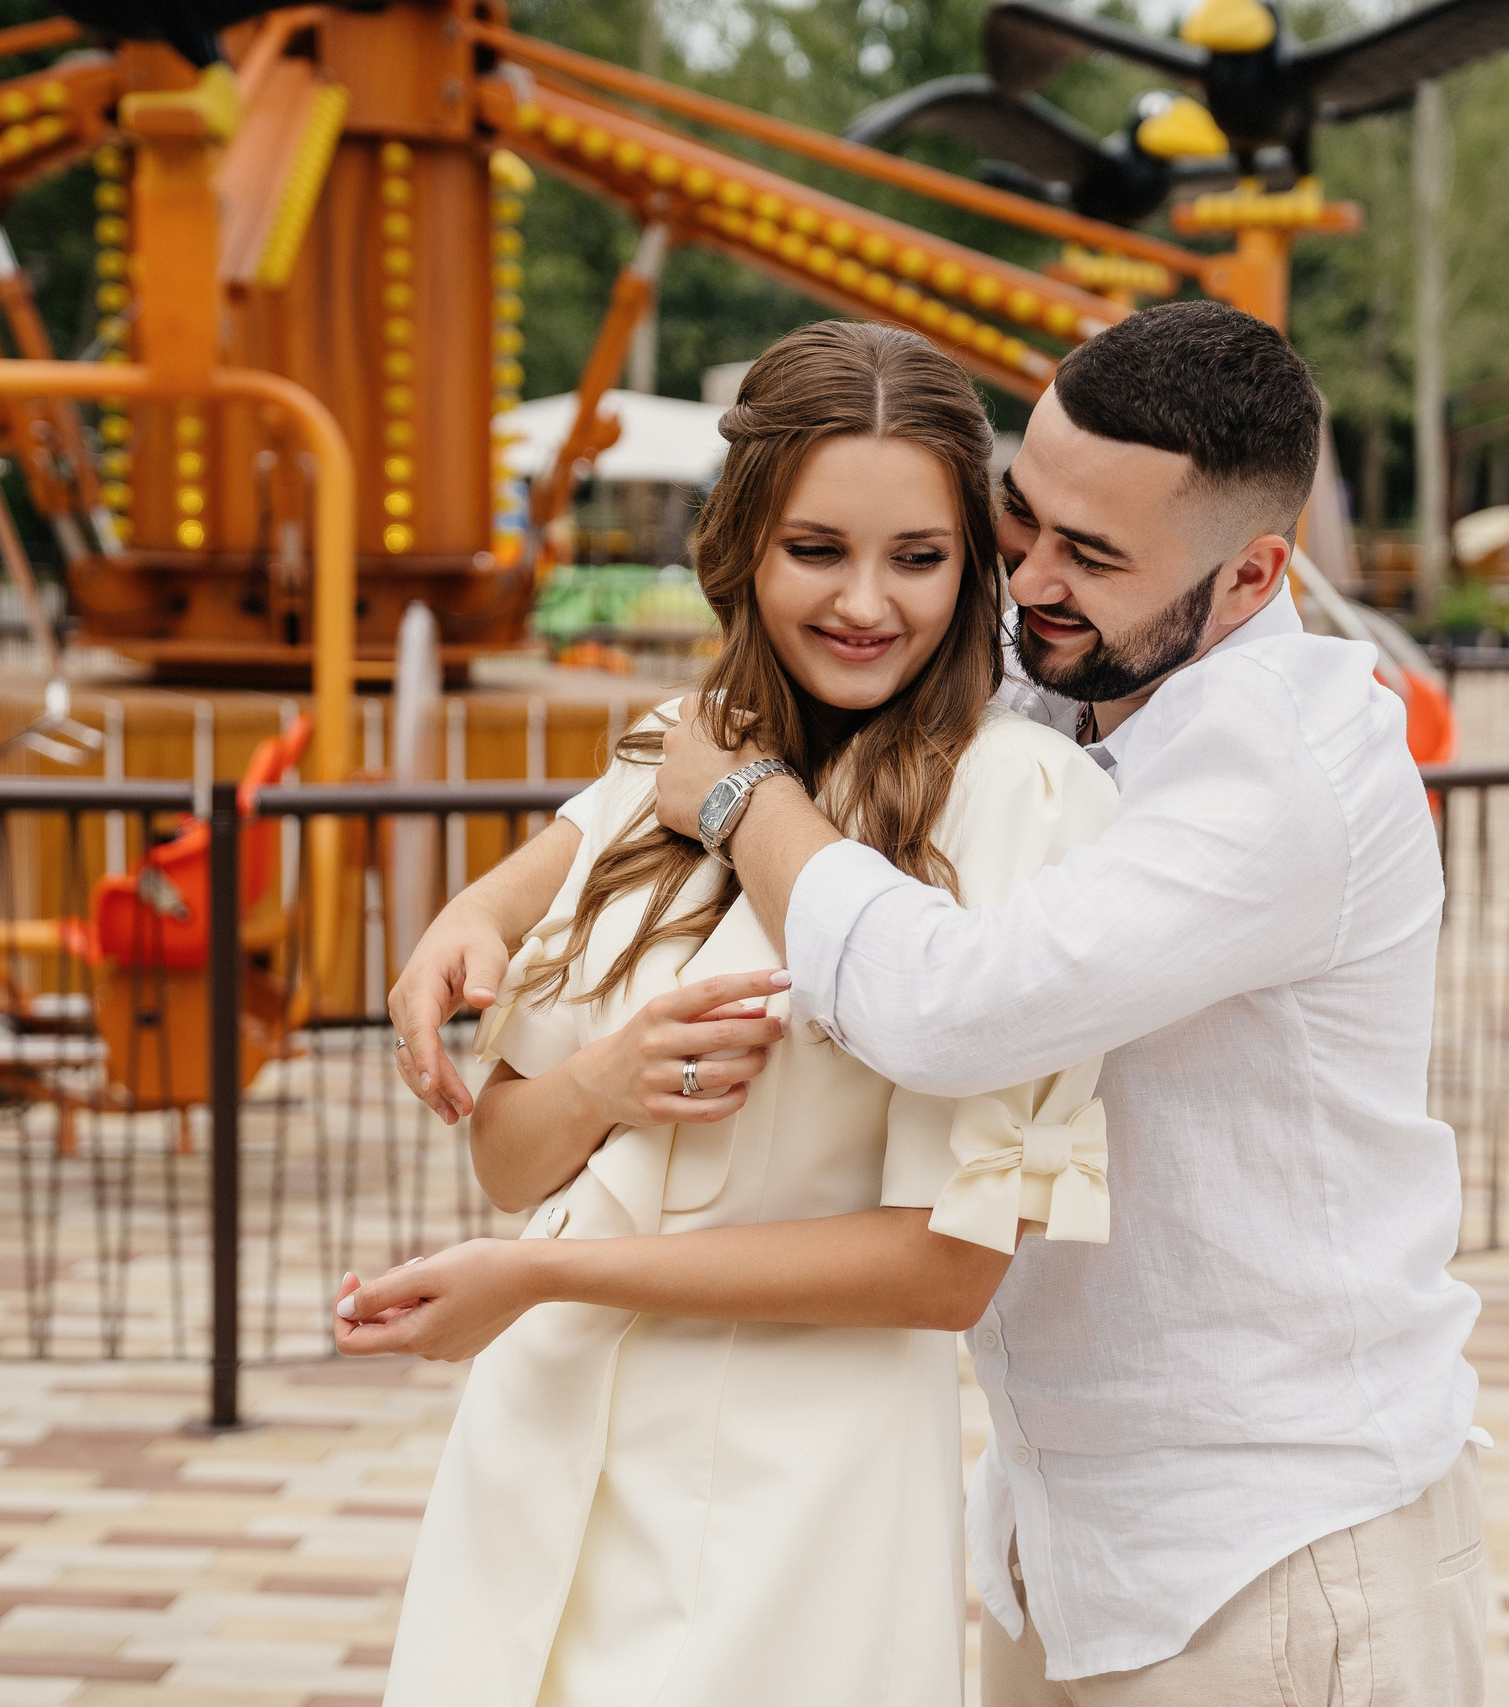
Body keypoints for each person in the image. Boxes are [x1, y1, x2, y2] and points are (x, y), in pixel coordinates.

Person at [649, 299, 1488, 1705]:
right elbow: (747, 723)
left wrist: (747, 811)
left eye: (1089, 553)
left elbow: (951, 1007)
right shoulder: (1082, 670)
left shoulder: (1276, 770)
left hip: (1268, 1556)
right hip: (1063, 1533)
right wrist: (496, 907)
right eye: (1018, 517)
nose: (1025, 576)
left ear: (1250, 574)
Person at [339, 321, 1117, 1707]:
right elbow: (513, 1163)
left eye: (918, 557)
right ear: (745, 547)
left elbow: (946, 1272)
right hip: (540, 1453)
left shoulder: (1018, 801)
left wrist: (543, 1276)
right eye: (818, 549)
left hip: (789, 1508)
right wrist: (602, 1086)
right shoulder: (678, 747)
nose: (867, 602)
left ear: (972, 564)